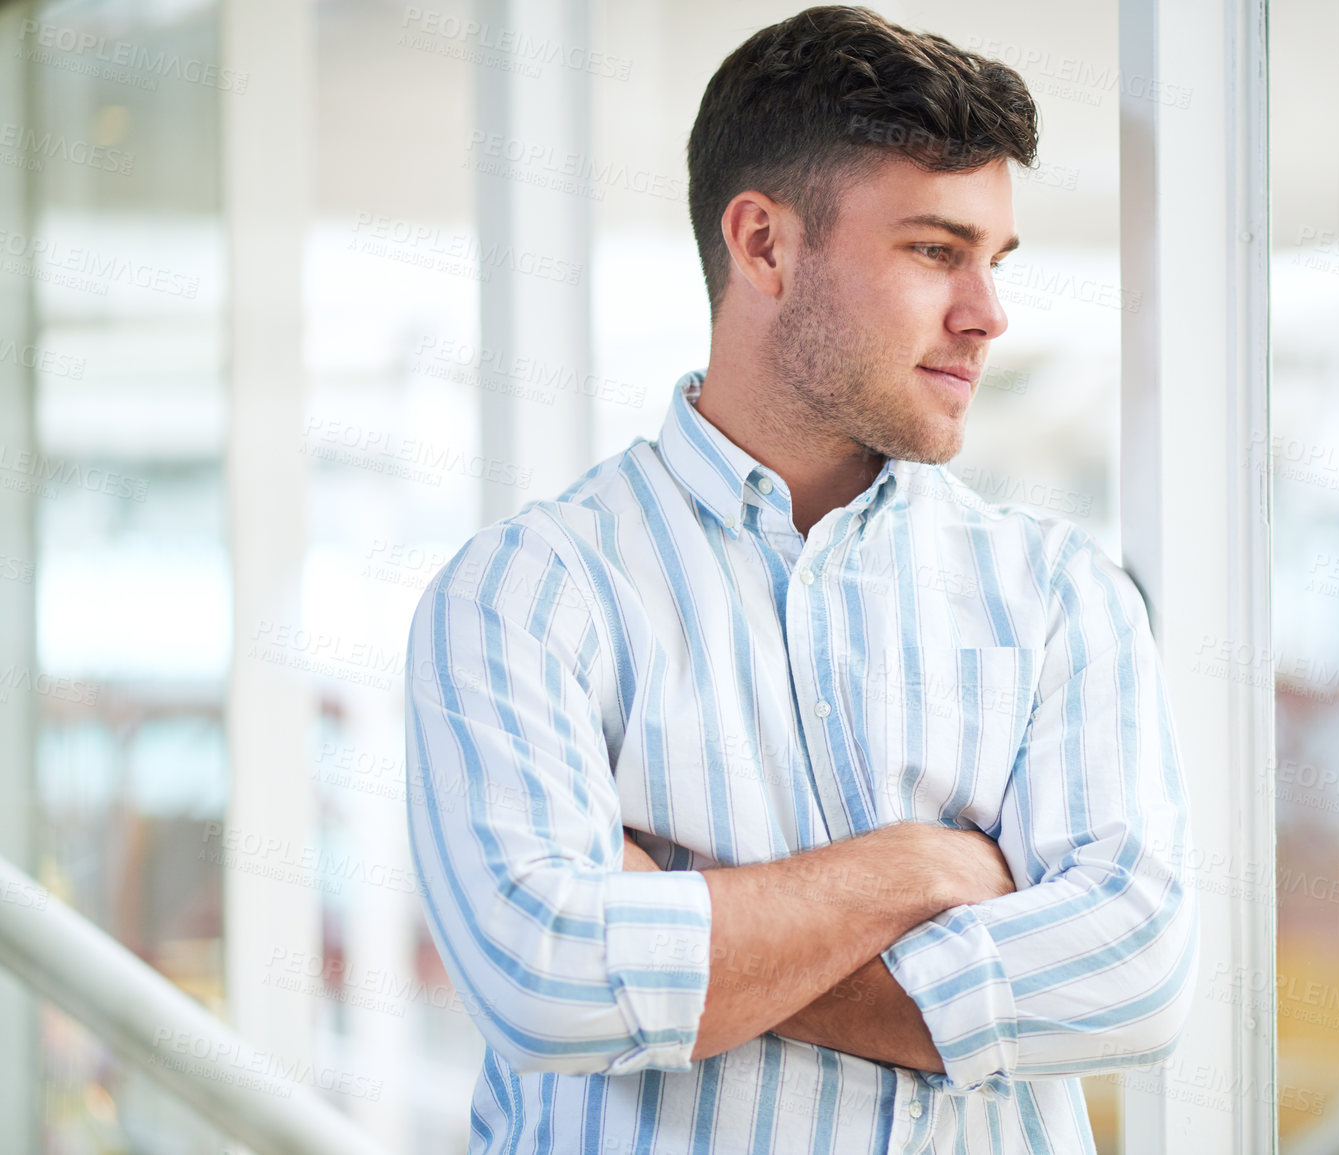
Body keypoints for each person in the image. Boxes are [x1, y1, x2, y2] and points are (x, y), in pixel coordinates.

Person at [404, 7, 1196, 1150]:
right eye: (935, 250)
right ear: (765, 245)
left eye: (994, 259)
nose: (988, 315)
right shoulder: (525, 597)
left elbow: (1137, 972)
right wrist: (922, 869)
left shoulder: (1060, 596)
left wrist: (685, 908)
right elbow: (545, 981)